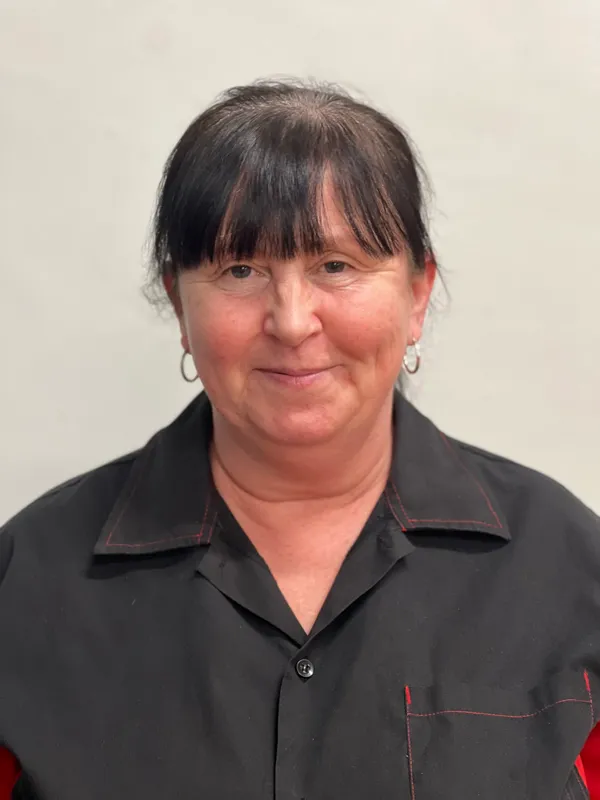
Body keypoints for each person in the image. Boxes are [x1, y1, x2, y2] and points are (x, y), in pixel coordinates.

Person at [0, 79, 599, 800]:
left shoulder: (569, 571)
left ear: (417, 295)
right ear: (180, 304)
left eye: (335, 266)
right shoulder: (28, 583)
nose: (290, 321)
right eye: (241, 269)